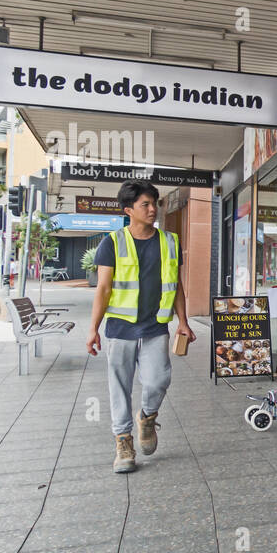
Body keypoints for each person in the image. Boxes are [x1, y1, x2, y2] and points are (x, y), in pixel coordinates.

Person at [86, 181, 196, 473]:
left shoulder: (170, 242)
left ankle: (147, 417)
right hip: (120, 327)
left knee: (158, 379)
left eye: (154, 203)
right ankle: (123, 441)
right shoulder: (112, 242)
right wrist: (93, 328)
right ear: (128, 210)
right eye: (145, 205)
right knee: (119, 385)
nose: (152, 209)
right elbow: (104, 288)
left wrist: (183, 321)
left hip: (154, 325)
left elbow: (176, 286)